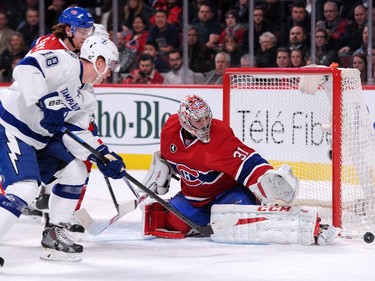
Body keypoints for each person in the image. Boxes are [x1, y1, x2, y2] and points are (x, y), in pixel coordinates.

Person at [141, 95, 340, 245]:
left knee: (245, 221)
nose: (204, 124)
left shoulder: (219, 136)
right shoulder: (169, 129)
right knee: (174, 224)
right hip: (195, 199)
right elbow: (171, 156)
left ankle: (307, 226)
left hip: (227, 195)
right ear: (184, 121)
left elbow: (248, 161)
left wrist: (267, 178)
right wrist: (161, 168)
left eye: (206, 118)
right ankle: (214, 222)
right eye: (198, 121)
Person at [0, 35, 126, 261]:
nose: (110, 72)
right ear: (98, 60)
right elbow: (25, 69)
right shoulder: (64, 61)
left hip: (37, 139)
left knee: (75, 171)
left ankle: (54, 234)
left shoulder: (87, 97)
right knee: (24, 189)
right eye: (110, 64)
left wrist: (103, 155)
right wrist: (44, 100)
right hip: (9, 125)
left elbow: (76, 134)